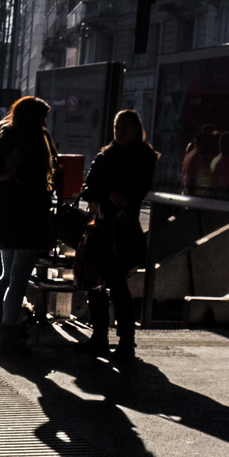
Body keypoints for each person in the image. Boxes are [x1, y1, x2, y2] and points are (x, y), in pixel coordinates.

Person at [0, 96, 56, 357]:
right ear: (34, 118)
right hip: (29, 219)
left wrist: (0, 202)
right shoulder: (35, 145)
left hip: (4, 219)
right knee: (17, 280)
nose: (44, 122)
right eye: (42, 117)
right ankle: (7, 335)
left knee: (7, 276)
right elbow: (41, 190)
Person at [78, 109, 157, 369]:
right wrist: (107, 194)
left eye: (123, 127)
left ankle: (125, 340)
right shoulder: (106, 155)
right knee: (97, 282)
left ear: (136, 128)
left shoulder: (144, 157)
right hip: (103, 229)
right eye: (116, 126)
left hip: (123, 231)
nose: (118, 131)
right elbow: (86, 189)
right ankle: (101, 334)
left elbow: (137, 192)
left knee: (116, 284)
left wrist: (115, 196)